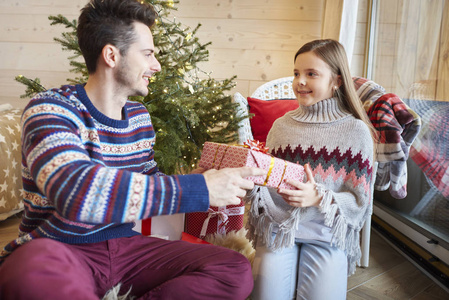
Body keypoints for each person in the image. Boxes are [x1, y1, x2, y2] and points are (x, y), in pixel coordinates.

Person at [0, 0, 265, 299]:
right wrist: (198, 188)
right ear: (112, 55)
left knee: (233, 269)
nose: (157, 65)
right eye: (148, 54)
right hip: (61, 247)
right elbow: (75, 191)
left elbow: (147, 179)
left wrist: (198, 177)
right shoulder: (51, 109)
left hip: (128, 247)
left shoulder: (139, 118)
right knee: (30, 274)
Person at [246, 39, 377, 300]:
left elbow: (360, 201)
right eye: (296, 73)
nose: (300, 81)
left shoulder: (357, 132)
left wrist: (319, 197)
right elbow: (267, 180)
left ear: (337, 81)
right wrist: (251, 177)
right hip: (280, 228)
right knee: (266, 294)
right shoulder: (281, 126)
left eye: (311, 74)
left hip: (326, 233)